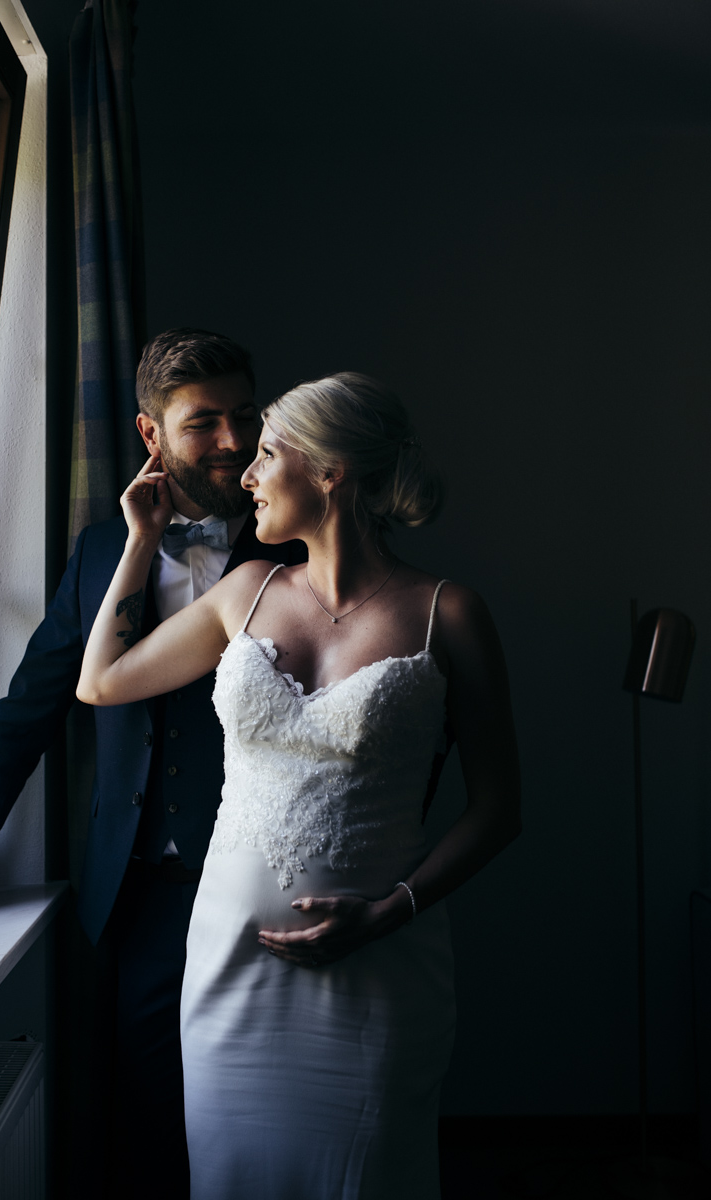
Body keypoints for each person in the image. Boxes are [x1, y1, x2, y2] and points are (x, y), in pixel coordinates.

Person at [77, 370, 521, 1200]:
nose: (245, 471)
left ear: (328, 472)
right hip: (228, 966)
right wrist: (139, 542)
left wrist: (391, 911)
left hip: (381, 968)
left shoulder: (447, 614)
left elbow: (500, 809)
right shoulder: (243, 595)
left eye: (267, 452)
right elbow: (98, 682)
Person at [0, 328, 306, 1197]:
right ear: (149, 434)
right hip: (138, 898)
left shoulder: (305, 548)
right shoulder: (98, 553)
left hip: (271, 888)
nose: (235, 442)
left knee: (267, 1122)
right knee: (149, 1129)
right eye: (204, 423)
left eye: (247, 417)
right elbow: (28, 712)